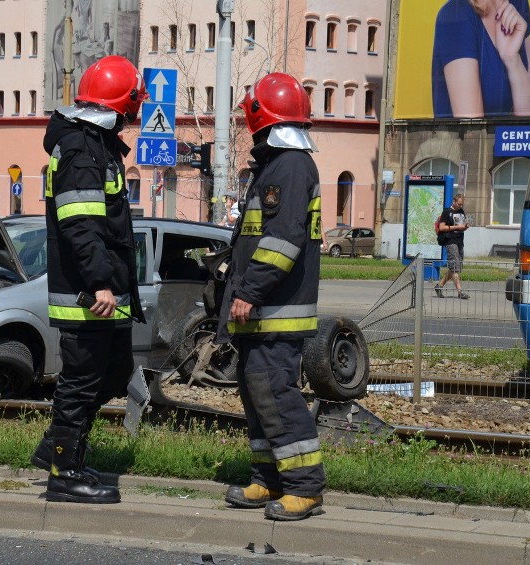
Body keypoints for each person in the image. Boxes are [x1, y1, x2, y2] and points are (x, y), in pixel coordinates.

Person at [33, 55, 147, 504]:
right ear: (121, 103)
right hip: (88, 295)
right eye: (133, 101)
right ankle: (64, 472)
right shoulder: (82, 149)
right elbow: (81, 225)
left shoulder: (95, 143)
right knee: (81, 381)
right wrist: (101, 282)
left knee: (116, 371)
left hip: (104, 292)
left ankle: (59, 447)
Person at [216, 73, 325, 521]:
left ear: (262, 117)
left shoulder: (291, 167)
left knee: (276, 395)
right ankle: (270, 479)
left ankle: (305, 488)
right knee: (257, 394)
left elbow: (284, 238)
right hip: (263, 309)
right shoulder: (278, 164)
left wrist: (250, 290)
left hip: (275, 308)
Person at [432, 0, 530, 118]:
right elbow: (472, 131)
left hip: (507, 136)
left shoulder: (519, 4)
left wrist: (512, 60)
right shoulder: (456, 16)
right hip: (476, 136)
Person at [435, 194, 471, 299]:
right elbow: (441, 227)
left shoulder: (461, 212)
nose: (460, 206)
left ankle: (439, 286)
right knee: (455, 267)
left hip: (460, 241)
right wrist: (457, 226)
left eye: (462, 204)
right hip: (450, 241)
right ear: (454, 202)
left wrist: (465, 227)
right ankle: (460, 292)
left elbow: (462, 227)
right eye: (459, 204)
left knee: (456, 267)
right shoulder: (447, 212)